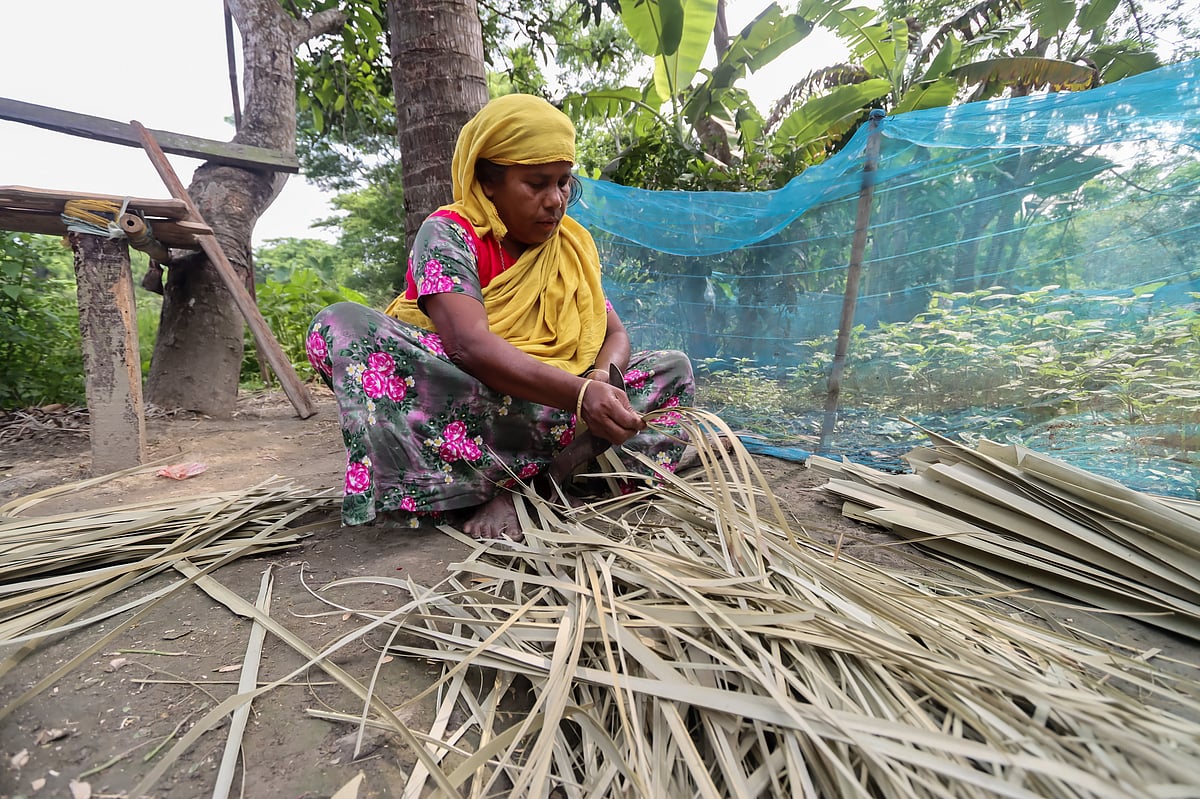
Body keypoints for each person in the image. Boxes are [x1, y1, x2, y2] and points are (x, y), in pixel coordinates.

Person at [306, 93, 695, 542]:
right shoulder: (451, 233)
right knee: (341, 324)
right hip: (479, 393)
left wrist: (599, 381)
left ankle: (542, 481)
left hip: (559, 397)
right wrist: (579, 395)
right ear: (488, 181)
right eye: (537, 184)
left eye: (564, 182)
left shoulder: (570, 246)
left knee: (672, 368)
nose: (556, 201)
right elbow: (466, 346)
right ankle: (535, 476)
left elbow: (614, 332)